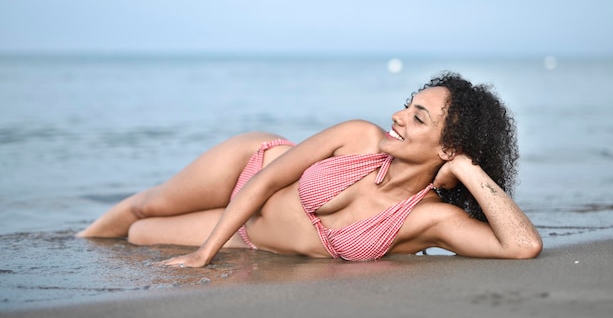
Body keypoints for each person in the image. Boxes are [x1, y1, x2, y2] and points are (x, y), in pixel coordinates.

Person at [77, 72, 543, 266]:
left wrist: (466, 167)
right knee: (145, 204)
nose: (398, 116)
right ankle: (75, 241)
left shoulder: (429, 219)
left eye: (418, 117)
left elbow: (523, 246)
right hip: (250, 168)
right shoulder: (360, 136)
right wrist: (204, 254)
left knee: (140, 234)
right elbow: (267, 180)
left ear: (450, 148)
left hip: (251, 236)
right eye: (408, 106)